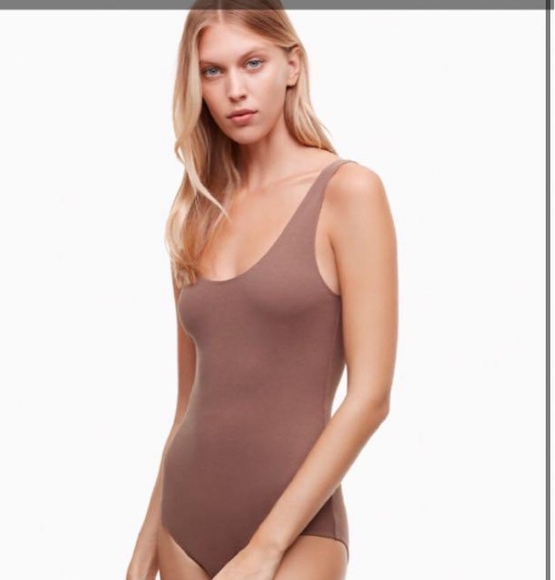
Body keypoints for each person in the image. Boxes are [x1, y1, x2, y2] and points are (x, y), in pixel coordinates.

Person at [126, 0, 398, 578]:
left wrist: (266, 548)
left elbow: (370, 397)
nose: (235, 90)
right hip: (183, 525)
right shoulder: (196, 211)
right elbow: (187, 404)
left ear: (292, 65)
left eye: (253, 63)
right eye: (213, 71)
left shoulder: (348, 192)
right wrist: (143, 550)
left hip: (295, 535)